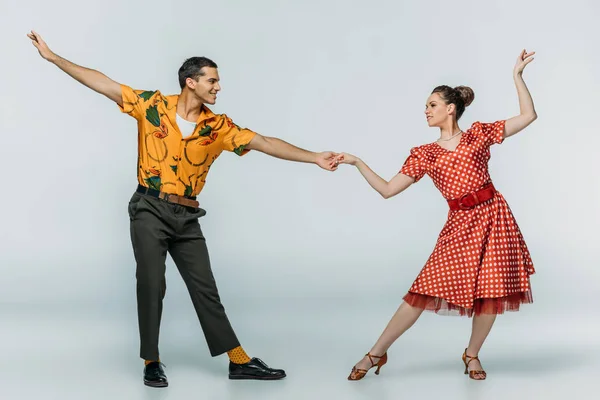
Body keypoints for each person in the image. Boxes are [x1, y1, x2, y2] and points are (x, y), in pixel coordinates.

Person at [27, 30, 339, 387]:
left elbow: (265, 142)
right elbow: (104, 83)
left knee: (205, 288)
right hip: (148, 207)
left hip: (187, 216)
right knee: (151, 283)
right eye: (212, 80)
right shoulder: (153, 106)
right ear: (190, 82)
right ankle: (151, 360)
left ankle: (238, 361)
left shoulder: (218, 127)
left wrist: (314, 157)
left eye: (218, 81)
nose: (218, 87)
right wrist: (54, 58)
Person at [333, 50, 537, 381]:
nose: (425, 111)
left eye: (432, 105)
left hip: (494, 218)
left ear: (450, 108)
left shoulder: (478, 135)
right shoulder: (425, 154)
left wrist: (517, 77)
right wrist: (357, 162)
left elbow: (528, 116)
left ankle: (471, 355)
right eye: (426, 106)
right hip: (459, 225)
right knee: (422, 291)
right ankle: (376, 353)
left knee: (491, 291)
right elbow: (387, 189)